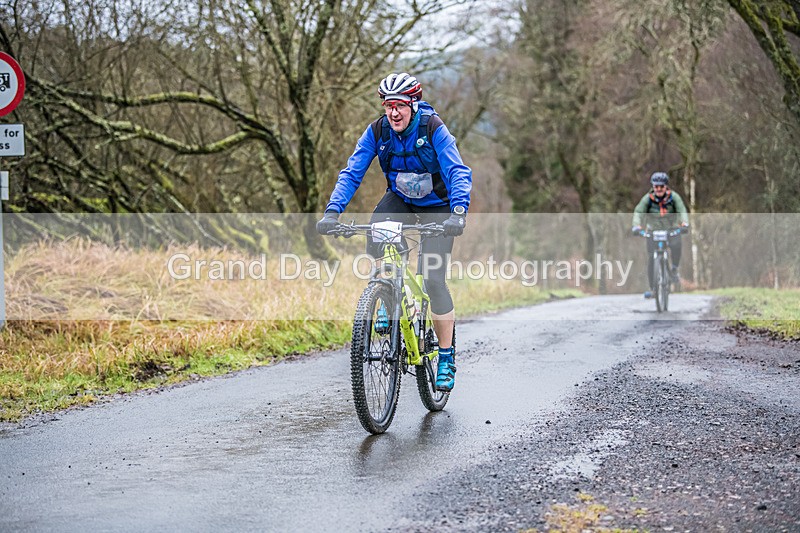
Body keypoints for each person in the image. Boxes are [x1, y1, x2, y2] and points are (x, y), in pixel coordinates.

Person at [316, 72, 472, 392]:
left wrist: (458, 211)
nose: (394, 112)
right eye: (388, 106)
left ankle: (445, 356)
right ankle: (386, 295)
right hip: (400, 201)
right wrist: (333, 211)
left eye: (400, 105)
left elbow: (458, 171)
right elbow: (352, 171)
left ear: (413, 105)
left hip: (438, 207)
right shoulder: (377, 131)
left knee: (433, 279)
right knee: (376, 228)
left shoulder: (432, 128)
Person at [631, 171, 689, 299]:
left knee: (676, 245)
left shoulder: (674, 198)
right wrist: (636, 226)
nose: (658, 189)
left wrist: (684, 223)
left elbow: (682, 210)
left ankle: (674, 269)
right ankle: (653, 289)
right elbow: (639, 212)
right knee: (652, 258)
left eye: (661, 186)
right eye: (656, 186)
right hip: (653, 231)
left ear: (666, 186)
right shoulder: (647, 199)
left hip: (671, 229)